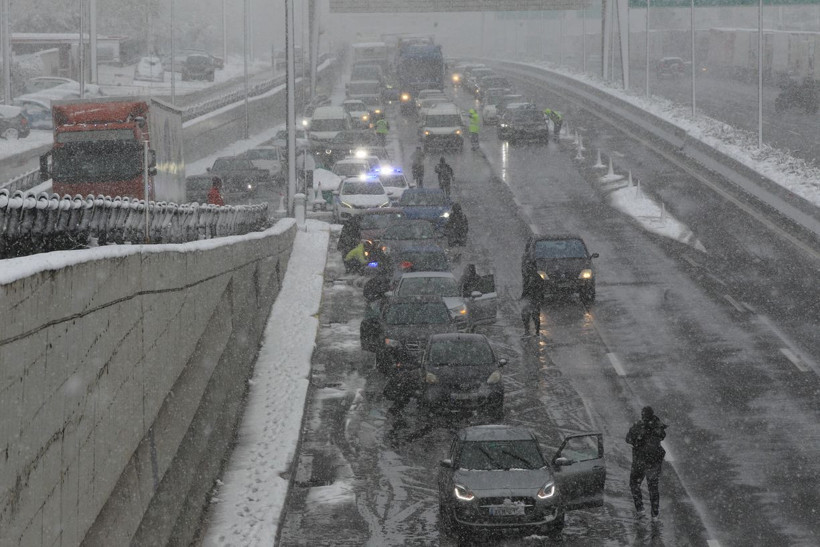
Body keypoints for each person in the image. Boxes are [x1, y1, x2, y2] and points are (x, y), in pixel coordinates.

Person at [626, 406, 668, 520]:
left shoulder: (638, 426)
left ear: (643, 415)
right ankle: (655, 514)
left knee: (634, 484)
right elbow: (663, 435)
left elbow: (628, 438)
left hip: (639, 462)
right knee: (653, 488)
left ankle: (640, 510)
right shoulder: (657, 426)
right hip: (654, 463)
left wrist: (637, 440)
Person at [520, 261, 545, 336]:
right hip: (531, 298)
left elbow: (529, 288)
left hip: (533, 298)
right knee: (528, 315)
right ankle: (530, 330)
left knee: (532, 315)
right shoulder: (529, 276)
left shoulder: (533, 277)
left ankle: (533, 331)